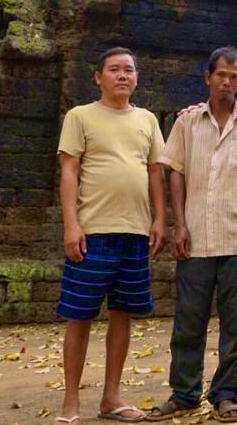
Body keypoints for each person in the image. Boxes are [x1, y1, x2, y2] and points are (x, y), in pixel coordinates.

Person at [148, 47, 237, 423]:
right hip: (196, 238)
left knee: (236, 323)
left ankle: (225, 393)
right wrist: (179, 224)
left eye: (234, 77)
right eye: (221, 75)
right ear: (207, 77)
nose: (227, 82)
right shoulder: (187, 123)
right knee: (188, 322)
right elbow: (175, 172)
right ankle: (184, 393)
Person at [55, 47, 167, 425]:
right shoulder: (80, 116)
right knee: (80, 316)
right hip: (92, 233)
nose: (122, 75)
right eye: (114, 69)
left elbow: (155, 173)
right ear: (98, 77)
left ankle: (111, 397)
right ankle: (71, 401)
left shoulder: (147, 119)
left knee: (123, 314)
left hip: (135, 232)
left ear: (136, 78)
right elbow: (69, 172)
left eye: (129, 70)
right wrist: (71, 225)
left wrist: (160, 220)